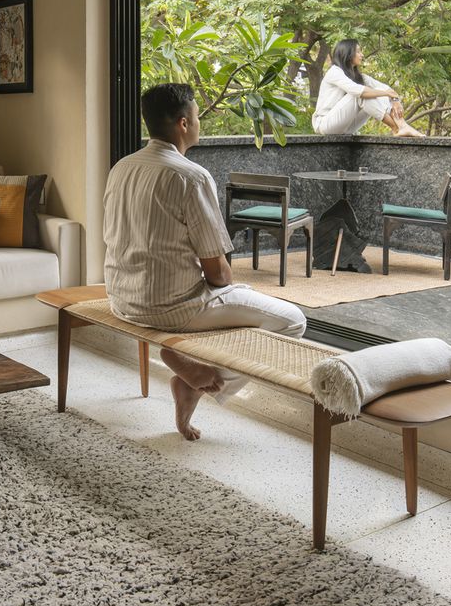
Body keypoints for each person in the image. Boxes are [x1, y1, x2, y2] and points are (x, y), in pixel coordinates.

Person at [103, 82, 309, 440]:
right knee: (293, 320)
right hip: (171, 307)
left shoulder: (122, 167)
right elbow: (216, 273)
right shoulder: (190, 176)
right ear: (183, 124)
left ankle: (194, 367)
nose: (200, 122)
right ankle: (199, 382)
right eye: (197, 116)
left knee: (241, 299)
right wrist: (231, 283)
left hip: (121, 296)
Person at [312, 39, 423, 137]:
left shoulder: (359, 77)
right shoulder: (334, 72)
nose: (362, 55)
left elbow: (386, 89)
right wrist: (387, 94)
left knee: (377, 92)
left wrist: (395, 100)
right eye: (358, 51)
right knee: (361, 95)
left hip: (347, 128)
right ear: (348, 53)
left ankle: (402, 125)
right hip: (325, 124)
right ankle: (397, 128)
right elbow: (358, 91)